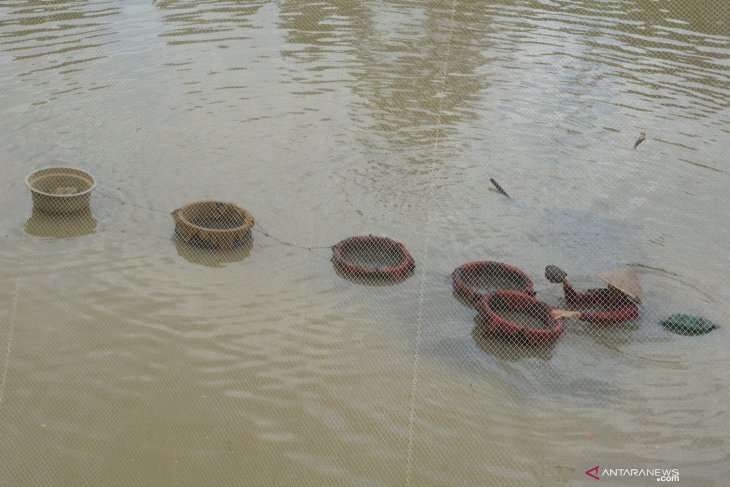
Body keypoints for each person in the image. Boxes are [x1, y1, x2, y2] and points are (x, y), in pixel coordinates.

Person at [545, 265, 642, 325]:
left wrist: (574, 314)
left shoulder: (631, 309)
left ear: (624, 292)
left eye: (616, 288)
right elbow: (575, 301)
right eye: (611, 285)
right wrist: (566, 283)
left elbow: (608, 318)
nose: (611, 289)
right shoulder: (602, 294)